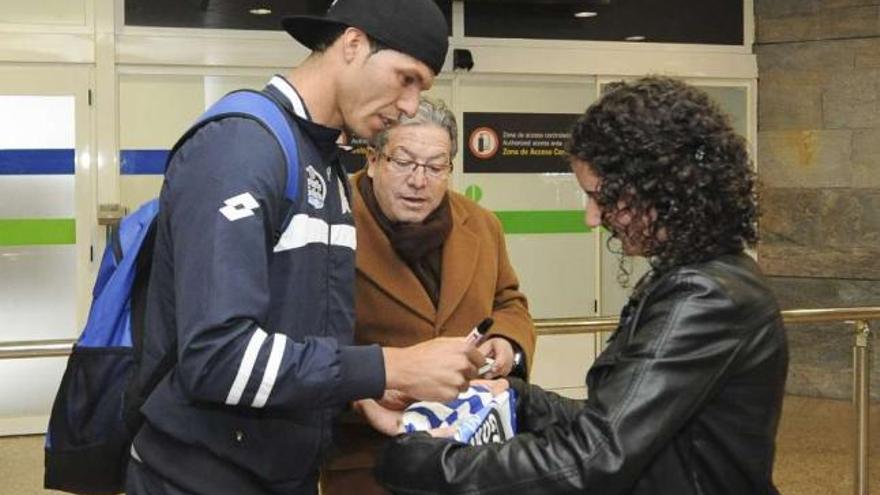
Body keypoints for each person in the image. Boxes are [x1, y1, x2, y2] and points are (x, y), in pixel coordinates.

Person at [125, 1, 487, 494]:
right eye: (406, 78)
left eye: (421, 88)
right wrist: (389, 366)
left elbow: (299, 331)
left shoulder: (324, 162)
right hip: (201, 476)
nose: (409, 105)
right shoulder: (241, 147)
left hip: (281, 471)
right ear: (353, 44)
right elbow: (216, 359)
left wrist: (361, 395)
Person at [373, 76, 789, 495]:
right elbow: (617, 419)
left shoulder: (703, 296)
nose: (593, 217)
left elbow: (594, 457)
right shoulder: (702, 276)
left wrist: (429, 463)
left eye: (602, 197)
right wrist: (518, 398)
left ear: (659, 187)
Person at [320, 97, 537, 495]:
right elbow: (301, 338)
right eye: (403, 162)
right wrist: (365, 391)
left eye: (436, 167)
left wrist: (507, 343)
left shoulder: (482, 224)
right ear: (372, 159)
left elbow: (508, 301)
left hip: (472, 452)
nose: (419, 181)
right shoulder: (329, 221)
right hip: (371, 458)